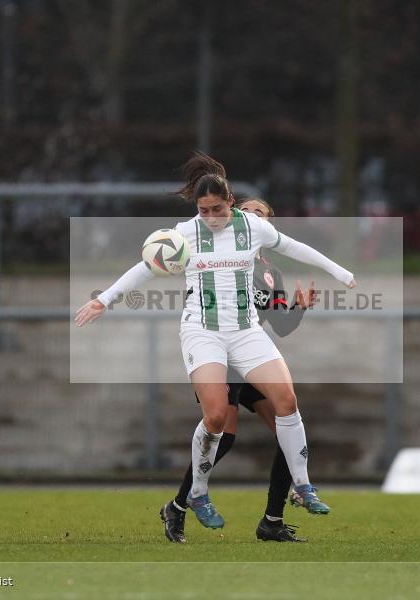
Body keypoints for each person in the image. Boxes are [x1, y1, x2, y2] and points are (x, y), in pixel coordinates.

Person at [75, 152, 356, 538]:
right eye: (203, 210)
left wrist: (339, 272)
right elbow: (145, 268)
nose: (210, 217)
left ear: (230, 202)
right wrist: (104, 299)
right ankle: (198, 494)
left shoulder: (252, 229)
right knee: (217, 420)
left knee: (287, 400)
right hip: (203, 331)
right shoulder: (184, 233)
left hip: (245, 331)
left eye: (217, 209)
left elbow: (295, 248)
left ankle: (303, 487)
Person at [161, 197, 320, 544]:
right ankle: (178, 506)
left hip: (253, 360)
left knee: (286, 429)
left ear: (268, 225)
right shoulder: (221, 256)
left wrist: (299, 307)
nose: (249, 216)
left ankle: (272, 521)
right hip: (222, 360)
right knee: (224, 436)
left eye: (258, 212)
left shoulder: (271, 274)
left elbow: (282, 325)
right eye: (245, 211)